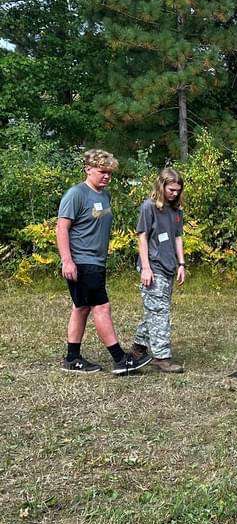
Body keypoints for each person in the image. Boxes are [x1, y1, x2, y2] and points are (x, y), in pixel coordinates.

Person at [56, 149, 153, 375]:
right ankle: (121, 360)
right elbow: (61, 228)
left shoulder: (104, 195)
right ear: (88, 169)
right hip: (82, 261)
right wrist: (67, 261)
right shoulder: (76, 194)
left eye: (109, 173)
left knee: (81, 308)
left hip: (96, 262)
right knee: (102, 307)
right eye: (102, 171)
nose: (107, 176)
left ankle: (72, 358)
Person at [132, 167, 188, 373]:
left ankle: (138, 348)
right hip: (153, 267)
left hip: (169, 266)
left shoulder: (176, 210)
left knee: (156, 310)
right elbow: (142, 237)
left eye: (178, 190)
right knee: (159, 311)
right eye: (171, 189)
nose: (174, 193)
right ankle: (161, 357)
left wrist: (181, 264)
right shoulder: (149, 207)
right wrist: (146, 268)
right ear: (162, 186)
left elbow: (178, 237)